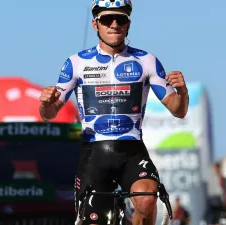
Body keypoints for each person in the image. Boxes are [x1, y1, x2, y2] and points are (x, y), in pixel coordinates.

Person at [39, 1, 189, 225]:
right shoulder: (76, 63)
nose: (114, 24)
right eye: (107, 19)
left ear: (129, 24)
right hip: (94, 153)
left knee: (147, 200)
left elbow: (178, 110)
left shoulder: (146, 61)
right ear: (95, 24)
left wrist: (183, 91)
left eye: (121, 19)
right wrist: (45, 103)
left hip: (132, 151)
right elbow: (49, 114)